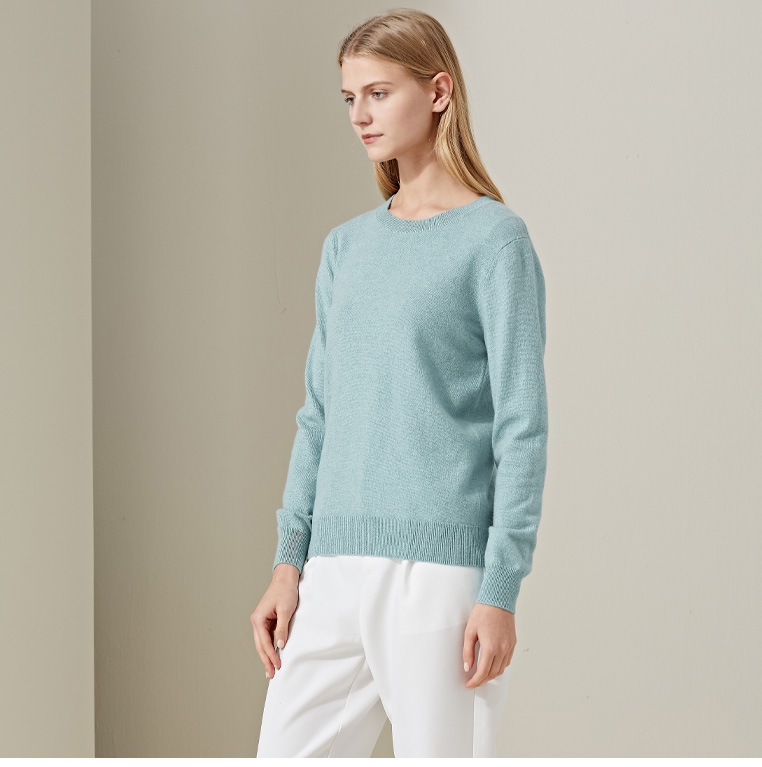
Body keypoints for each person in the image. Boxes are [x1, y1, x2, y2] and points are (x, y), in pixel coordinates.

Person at [252, 8, 548, 758]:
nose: (360, 115)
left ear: (439, 92)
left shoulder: (495, 240)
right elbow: (318, 414)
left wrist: (499, 589)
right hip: (332, 566)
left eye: (379, 94)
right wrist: (289, 564)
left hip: (440, 575)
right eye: (350, 97)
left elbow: (522, 426)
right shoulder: (345, 248)